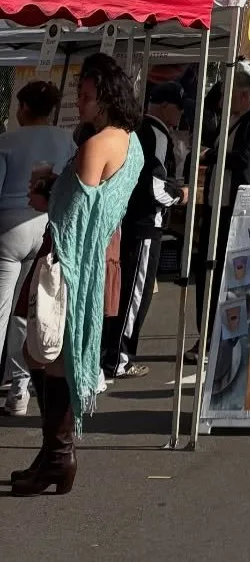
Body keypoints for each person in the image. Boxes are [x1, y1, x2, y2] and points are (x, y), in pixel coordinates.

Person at [11, 55, 143, 497]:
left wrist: (45, 196)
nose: (80, 104)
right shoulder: (131, 140)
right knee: (53, 358)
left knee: (47, 354)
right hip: (98, 259)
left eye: (86, 97)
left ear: (105, 98)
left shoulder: (96, 144)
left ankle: (58, 458)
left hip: (73, 262)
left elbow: (75, 215)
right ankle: (54, 457)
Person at [103, 81, 188, 379]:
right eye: (178, 109)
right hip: (145, 224)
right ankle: (119, 357)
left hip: (127, 221)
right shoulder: (156, 134)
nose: (179, 116)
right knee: (134, 293)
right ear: (165, 107)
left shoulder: (135, 130)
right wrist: (179, 195)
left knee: (122, 289)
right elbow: (154, 185)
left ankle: (111, 353)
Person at [0, 82, 73, 419]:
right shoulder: (66, 139)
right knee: (26, 309)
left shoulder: (7, 141)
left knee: (2, 310)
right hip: (45, 225)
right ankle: (19, 389)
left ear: (24, 108)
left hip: (9, 226)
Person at [195, 65, 250, 347]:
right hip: (216, 205)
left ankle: (232, 332)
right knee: (207, 271)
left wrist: (213, 155)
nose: (222, 104)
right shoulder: (228, 122)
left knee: (236, 274)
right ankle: (205, 333)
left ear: (243, 95)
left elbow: (245, 157)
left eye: (227, 96)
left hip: (241, 208)